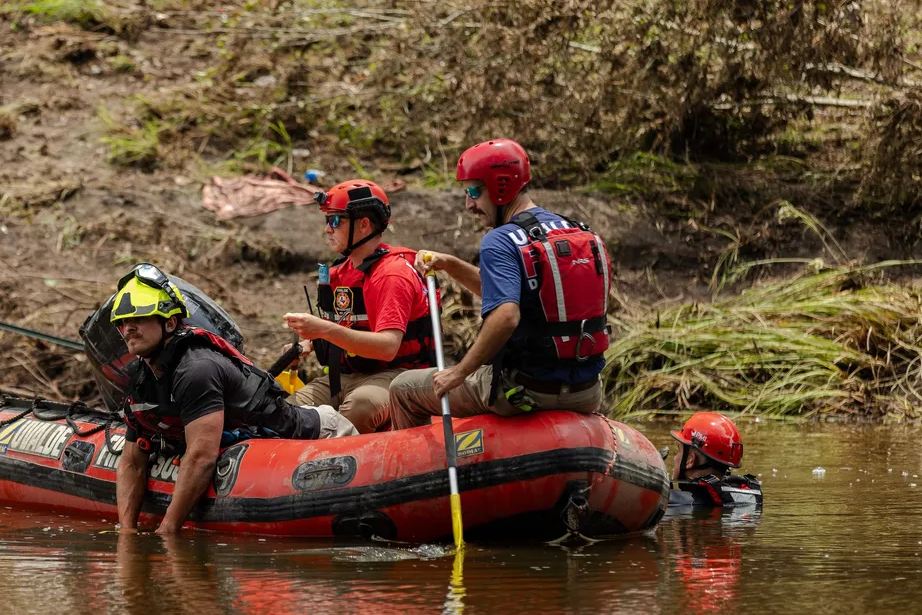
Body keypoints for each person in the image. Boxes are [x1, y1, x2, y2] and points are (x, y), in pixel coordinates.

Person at [111, 263, 358, 535]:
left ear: (169, 322)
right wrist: (127, 533)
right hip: (257, 442)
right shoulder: (141, 376)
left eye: (139, 319)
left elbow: (201, 458)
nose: (128, 328)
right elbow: (132, 460)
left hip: (322, 437)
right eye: (122, 322)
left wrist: (167, 532)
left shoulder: (196, 369)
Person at [389, 139, 611, 430]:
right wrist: (451, 265)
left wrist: (458, 372)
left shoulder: (501, 240)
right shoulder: (578, 231)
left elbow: (506, 315)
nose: (469, 204)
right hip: (587, 392)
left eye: (473, 191)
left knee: (403, 388)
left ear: (500, 186)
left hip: (525, 391)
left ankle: (419, 469)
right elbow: (512, 294)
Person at [282, 180, 435, 433]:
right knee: (288, 409)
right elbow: (344, 326)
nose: (327, 230)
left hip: (398, 374)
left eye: (335, 221)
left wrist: (323, 330)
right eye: (327, 221)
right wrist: (308, 344)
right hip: (346, 376)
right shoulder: (340, 272)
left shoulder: (392, 274)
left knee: (359, 408)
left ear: (364, 224)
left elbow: (388, 347)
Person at [668, 412, 762, 507]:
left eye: (678, 450)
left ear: (690, 460)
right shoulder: (744, 495)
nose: (675, 458)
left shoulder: (672, 501)